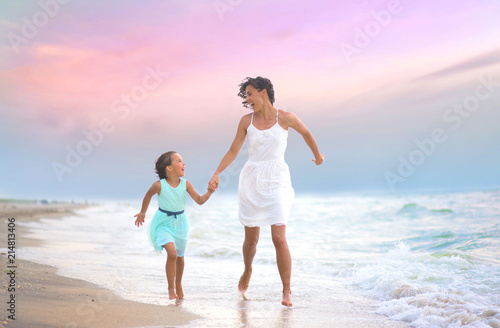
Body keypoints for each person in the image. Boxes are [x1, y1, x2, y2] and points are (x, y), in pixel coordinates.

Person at [209, 76, 324, 306]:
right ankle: (247, 269)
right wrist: (216, 173)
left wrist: (318, 156)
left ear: (263, 92)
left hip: (277, 179)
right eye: (246, 96)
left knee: (278, 237)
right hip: (252, 180)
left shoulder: (286, 118)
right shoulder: (245, 121)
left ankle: (287, 291)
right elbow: (233, 150)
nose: (247, 99)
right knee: (251, 242)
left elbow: (306, 133)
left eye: (250, 94)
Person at [135, 151, 215, 300]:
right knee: (172, 254)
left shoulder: (186, 184)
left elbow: (199, 200)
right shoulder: (159, 185)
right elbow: (147, 195)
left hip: (181, 224)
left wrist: (209, 192)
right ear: (169, 168)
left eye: (182, 161)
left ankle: (179, 284)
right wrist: (142, 213)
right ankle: (171, 288)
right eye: (179, 161)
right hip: (163, 223)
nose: (183, 163)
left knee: (180, 258)